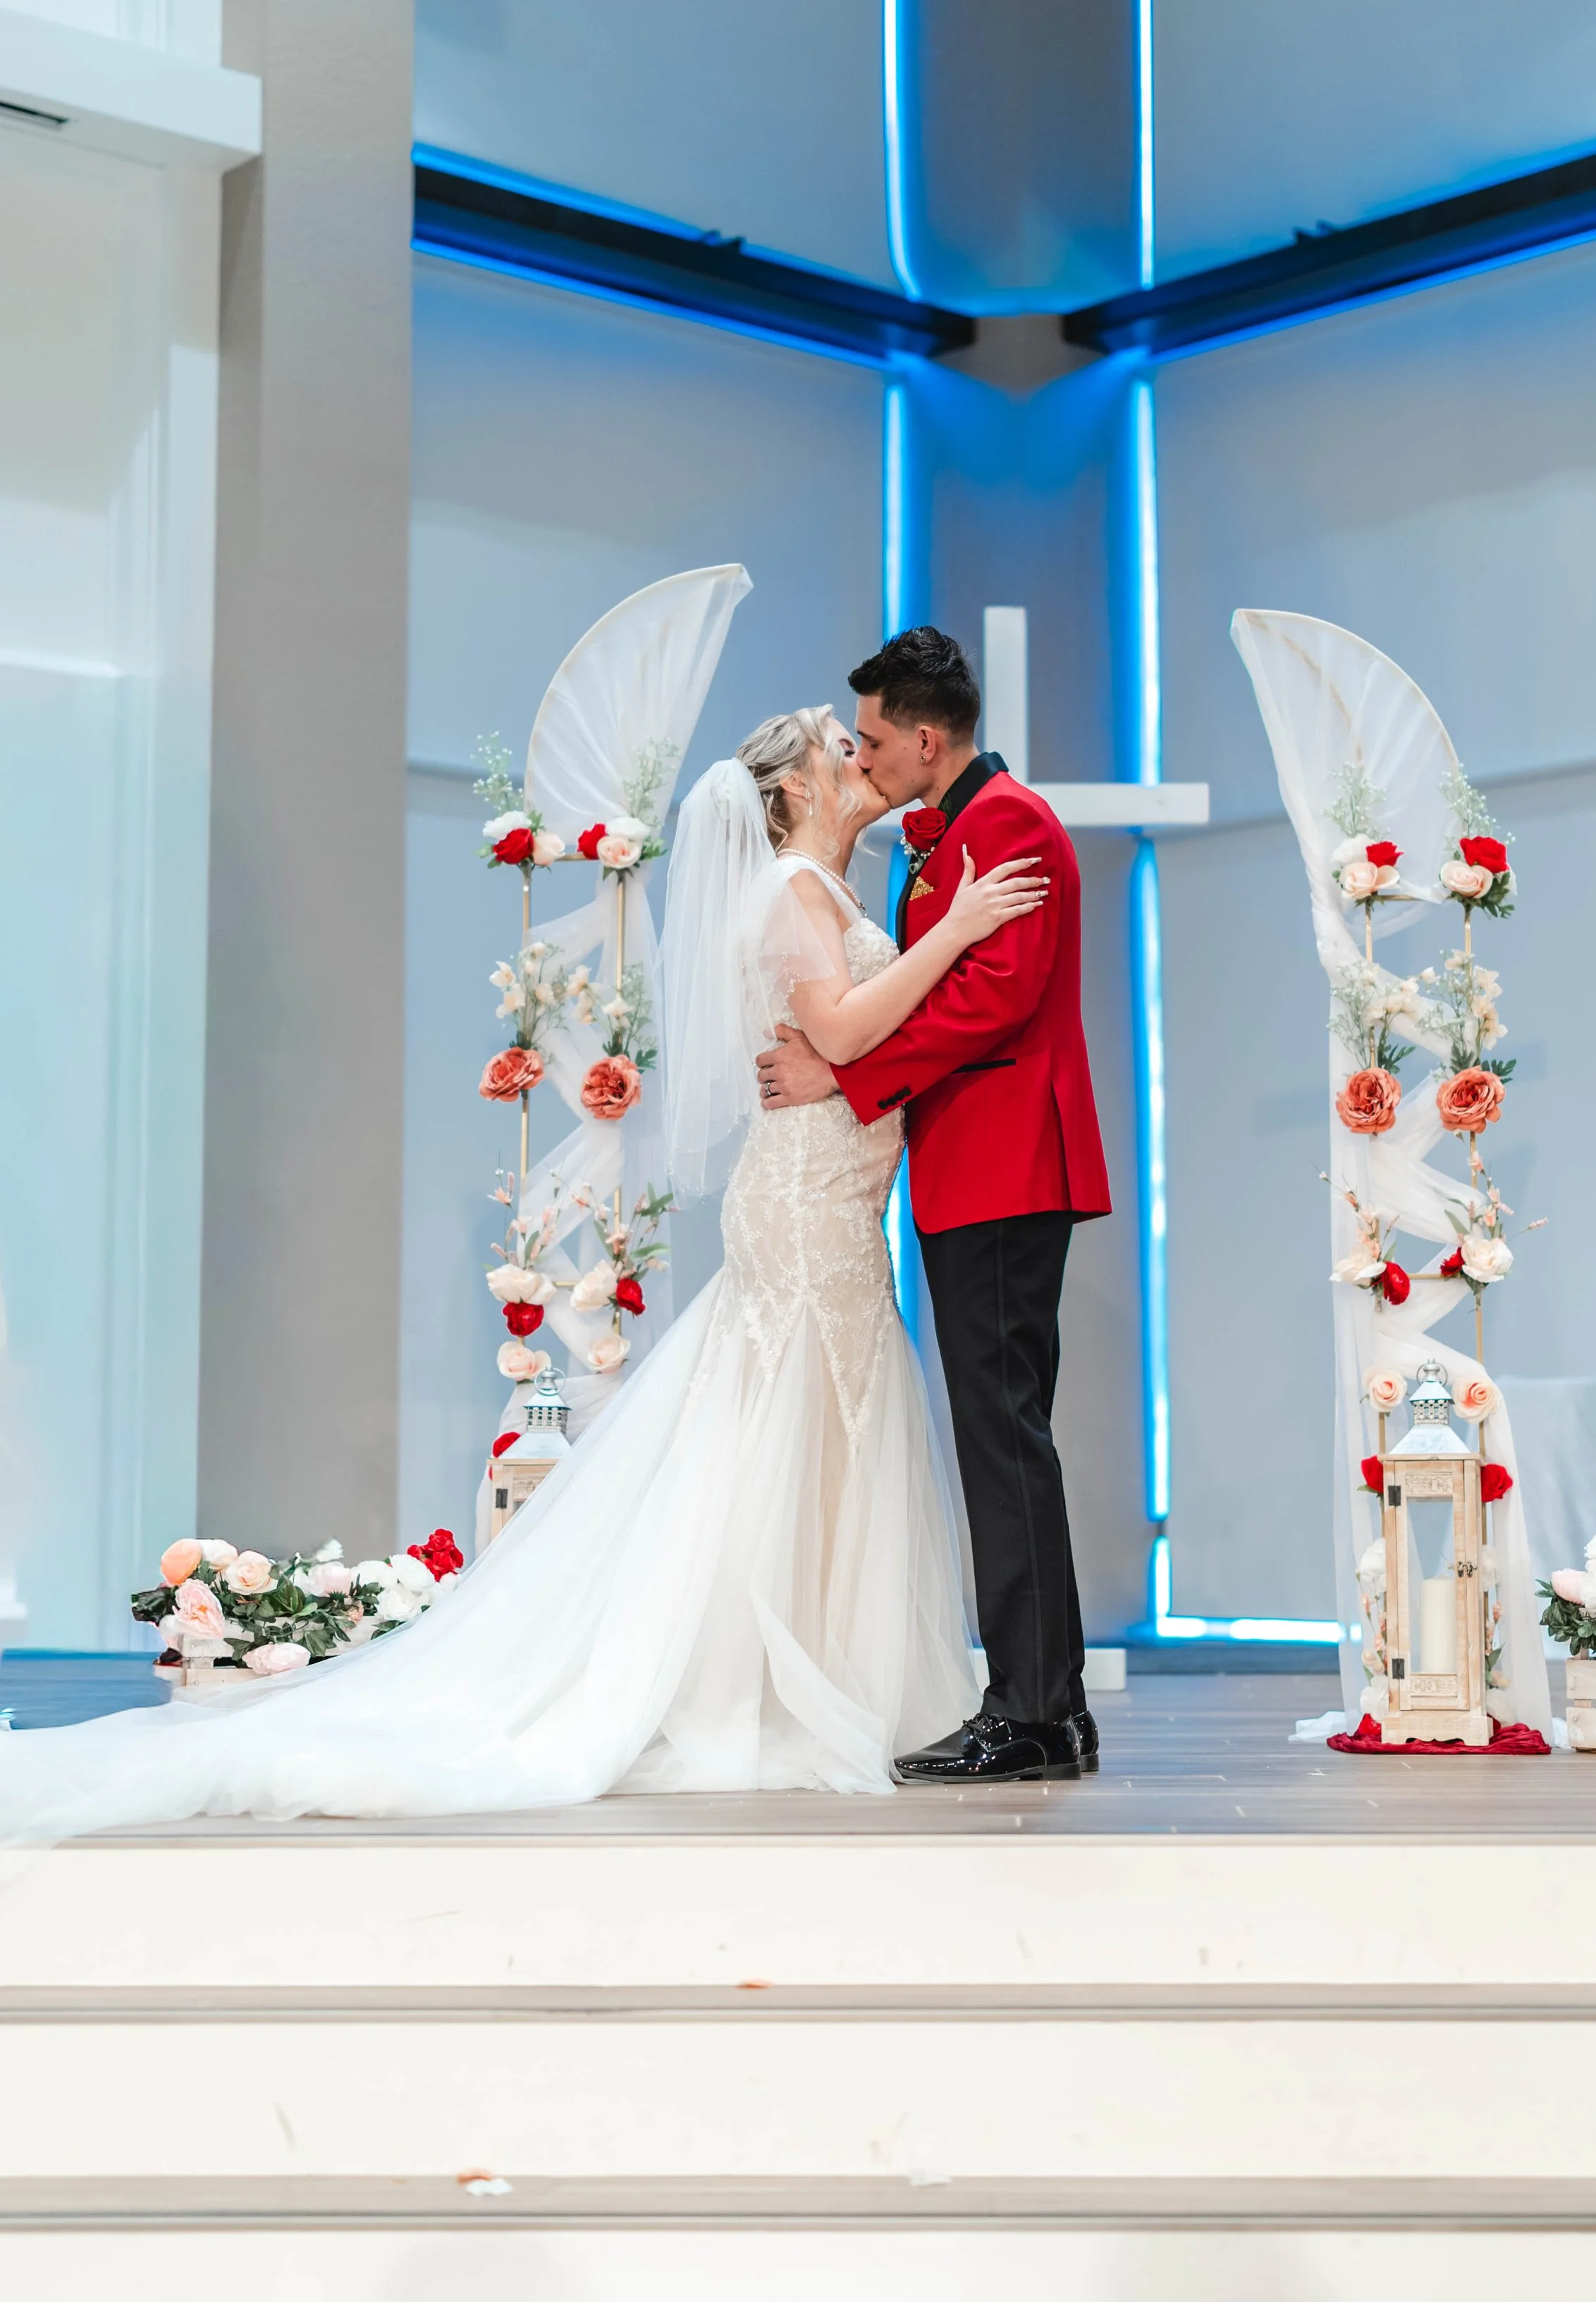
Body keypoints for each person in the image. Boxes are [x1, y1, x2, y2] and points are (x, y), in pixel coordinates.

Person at [0, 706, 1050, 1839]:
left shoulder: (839, 890)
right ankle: (756, 1684)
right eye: (834, 745)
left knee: (828, 1433)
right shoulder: (790, 889)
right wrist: (959, 935)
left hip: (841, 1197)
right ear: (792, 788)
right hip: (802, 1207)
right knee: (792, 1423)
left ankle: (827, 1673)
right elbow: (842, 1034)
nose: (857, 754)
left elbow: (854, 1046)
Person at [758, 627, 1111, 1787]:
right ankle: (1049, 1703)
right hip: (969, 1168)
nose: (861, 757)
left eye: (870, 738)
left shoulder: (1008, 827)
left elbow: (991, 1003)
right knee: (1004, 1435)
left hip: (1006, 1167)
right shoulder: (942, 833)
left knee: (1003, 1436)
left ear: (923, 736)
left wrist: (844, 1074)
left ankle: (1028, 1708)